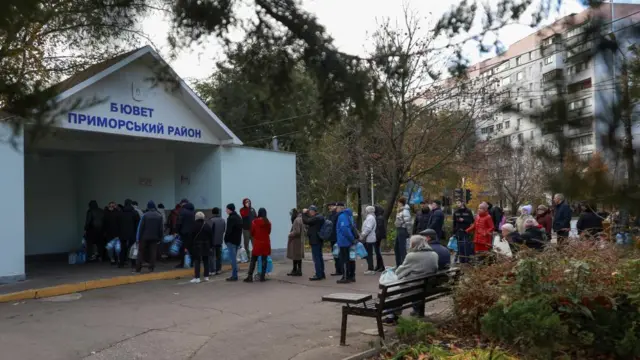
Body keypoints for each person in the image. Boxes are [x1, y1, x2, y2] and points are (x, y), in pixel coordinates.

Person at [384, 235, 440, 325]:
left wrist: (395, 270)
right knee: (400, 290)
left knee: (391, 291)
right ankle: (415, 311)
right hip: (426, 286)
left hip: (413, 286)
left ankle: (392, 317)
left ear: (413, 244)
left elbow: (400, 273)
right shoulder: (434, 254)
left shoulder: (412, 256)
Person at [135, 201, 163, 273]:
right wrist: (160, 238)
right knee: (153, 252)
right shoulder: (159, 216)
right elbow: (161, 229)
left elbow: (140, 228)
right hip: (155, 237)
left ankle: (138, 268)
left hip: (144, 237)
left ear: (148, 207)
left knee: (141, 252)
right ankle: (151, 268)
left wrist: (138, 238)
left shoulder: (145, 215)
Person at [245, 208, 271, 282]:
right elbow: (269, 232)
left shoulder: (254, 222)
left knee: (253, 260)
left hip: (257, 243)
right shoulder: (268, 222)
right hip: (266, 243)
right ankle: (262, 277)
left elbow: (252, 232)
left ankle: (249, 276)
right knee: (264, 260)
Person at [188, 212, 213, 283]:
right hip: (206, 245)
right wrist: (211, 246)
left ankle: (197, 277)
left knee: (197, 261)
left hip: (197, 246)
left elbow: (190, 236)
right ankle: (206, 276)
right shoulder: (207, 225)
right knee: (206, 261)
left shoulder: (193, 226)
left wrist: (189, 246)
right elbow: (211, 236)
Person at [302, 205, 326, 281]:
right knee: (319, 257)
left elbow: (306, 221)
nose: (309, 213)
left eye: (310, 211)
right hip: (318, 239)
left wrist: (304, 213)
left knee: (316, 258)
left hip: (315, 240)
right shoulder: (319, 217)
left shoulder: (316, 218)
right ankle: (321, 273)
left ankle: (318, 274)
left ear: (313, 211)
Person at [336, 203, 357, 284]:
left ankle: (345, 276)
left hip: (344, 241)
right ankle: (352, 276)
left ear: (340, 208)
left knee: (344, 259)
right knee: (351, 258)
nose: (336, 209)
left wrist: (351, 239)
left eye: (337, 207)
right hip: (349, 241)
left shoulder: (342, 216)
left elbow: (345, 229)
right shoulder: (350, 215)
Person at [119, 199, 140, 268]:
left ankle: (121, 263)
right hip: (132, 234)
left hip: (122, 233)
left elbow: (117, 223)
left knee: (123, 248)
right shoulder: (134, 212)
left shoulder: (120, 212)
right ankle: (133, 263)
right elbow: (138, 224)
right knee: (133, 248)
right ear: (131, 204)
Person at [224, 203, 243, 281]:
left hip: (231, 241)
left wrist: (225, 239)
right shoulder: (238, 217)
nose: (226, 210)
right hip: (237, 240)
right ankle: (234, 274)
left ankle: (234, 276)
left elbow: (228, 230)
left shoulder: (231, 218)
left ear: (230, 209)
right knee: (234, 258)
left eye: (227, 209)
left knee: (232, 259)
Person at [175, 201, 195, 268]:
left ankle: (183, 263)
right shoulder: (193, 212)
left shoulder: (182, 212)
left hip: (184, 233)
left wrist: (177, 231)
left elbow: (179, 223)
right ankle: (191, 263)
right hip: (192, 233)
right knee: (191, 248)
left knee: (183, 248)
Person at [394, 197, 413, 267]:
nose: (397, 204)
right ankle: (399, 264)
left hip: (403, 229)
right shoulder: (400, 210)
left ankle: (404, 264)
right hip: (399, 229)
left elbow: (408, 222)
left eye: (398, 203)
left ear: (401, 203)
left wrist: (409, 232)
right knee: (397, 248)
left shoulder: (405, 211)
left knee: (402, 248)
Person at [287, 208, 306, 276]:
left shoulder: (296, 220)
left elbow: (297, 231)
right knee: (298, 256)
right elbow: (303, 230)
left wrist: (290, 234)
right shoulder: (300, 219)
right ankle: (297, 270)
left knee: (296, 256)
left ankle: (296, 270)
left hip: (296, 241)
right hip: (299, 241)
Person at [361, 205, 378, 275]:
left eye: (365, 210)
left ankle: (371, 269)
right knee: (368, 253)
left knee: (369, 254)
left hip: (369, 238)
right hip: (369, 238)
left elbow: (368, 228)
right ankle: (370, 268)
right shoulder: (370, 217)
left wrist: (362, 235)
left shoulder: (370, 218)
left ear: (368, 211)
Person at [208, 207, 226, 275]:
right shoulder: (222, 220)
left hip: (212, 241)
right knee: (219, 256)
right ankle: (218, 269)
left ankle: (212, 270)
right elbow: (223, 230)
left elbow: (209, 231)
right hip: (219, 240)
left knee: (211, 256)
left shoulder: (211, 220)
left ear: (212, 212)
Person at [328, 203, 343, 277]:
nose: (330, 208)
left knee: (338, 254)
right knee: (335, 254)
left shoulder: (337, 215)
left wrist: (334, 211)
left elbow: (333, 223)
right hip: (333, 237)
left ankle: (340, 270)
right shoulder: (332, 215)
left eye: (331, 206)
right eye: (329, 207)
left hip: (336, 237)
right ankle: (338, 269)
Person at [373, 205, 387, 272]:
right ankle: (379, 265)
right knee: (377, 251)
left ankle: (381, 266)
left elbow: (379, 228)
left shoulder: (379, 218)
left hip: (377, 236)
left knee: (377, 251)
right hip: (378, 236)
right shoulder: (379, 217)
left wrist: (375, 235)